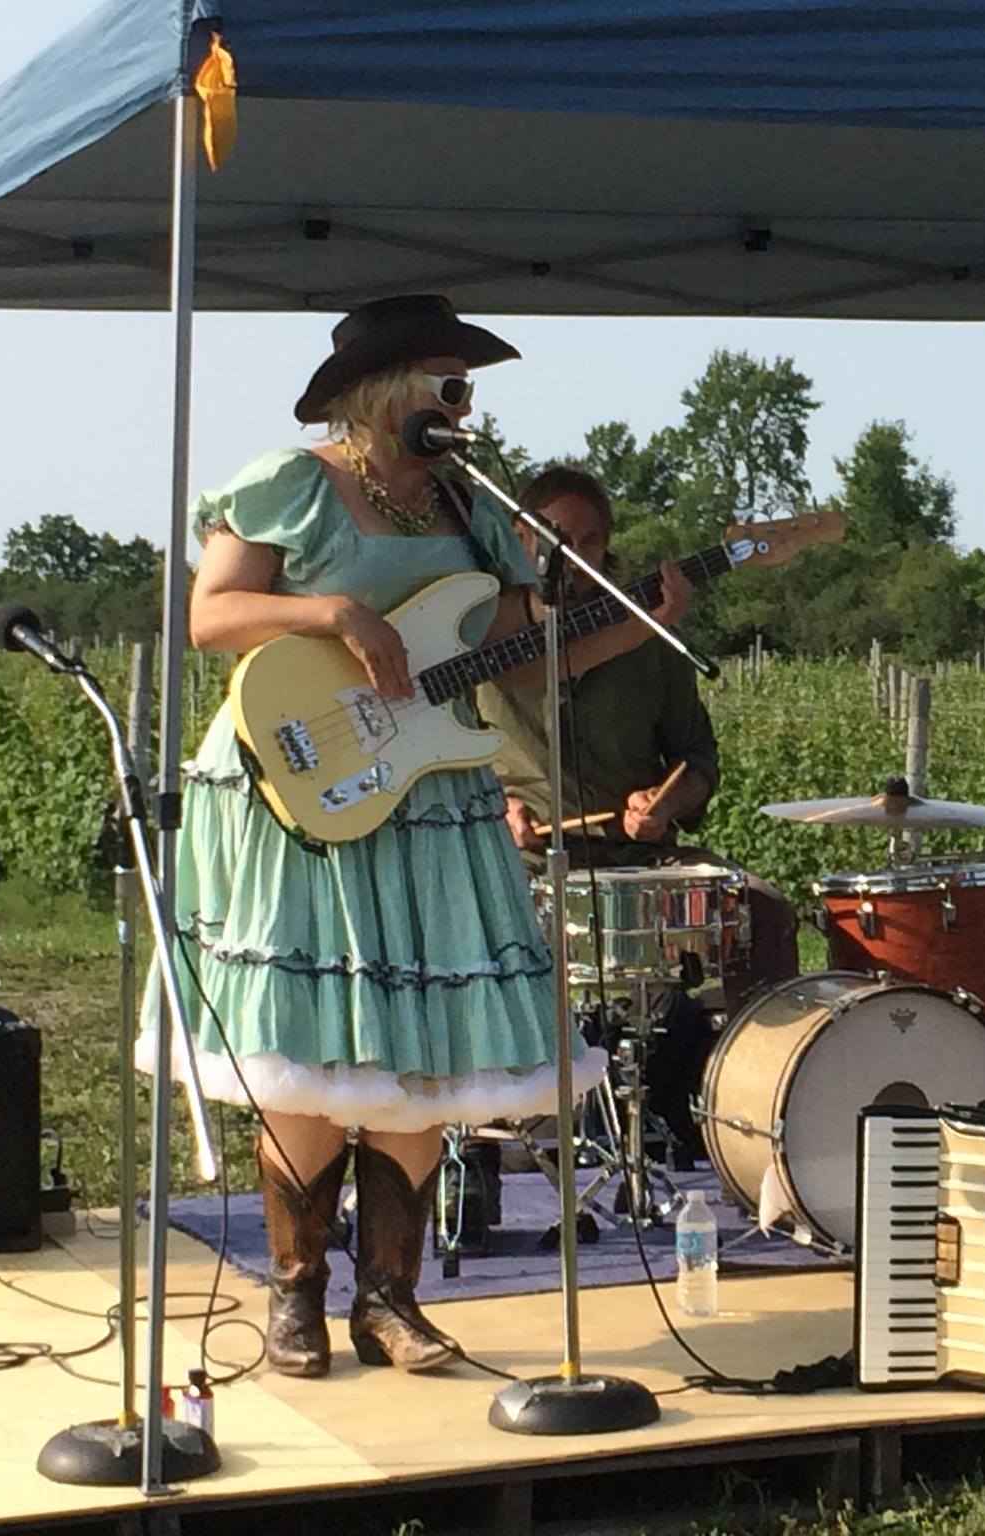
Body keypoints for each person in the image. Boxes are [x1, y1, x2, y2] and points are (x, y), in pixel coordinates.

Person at [139, 295, 676, 1378]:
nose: (463, 405)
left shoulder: (472, 514)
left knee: (422, 1058)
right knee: (313, 1050)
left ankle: (389, 1298)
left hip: (429, 801)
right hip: (300, 788)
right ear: (385, 392)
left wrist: (646, 614)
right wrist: (332, 613)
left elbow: (522, 662)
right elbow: (211, 617)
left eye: (467, 388)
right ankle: (297, 1293)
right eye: (448, 383)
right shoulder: (293, 484)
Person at [477, 465, 802, 1020]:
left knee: (763, 910)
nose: (573, 558)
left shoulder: (651, 642)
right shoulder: (482, 631)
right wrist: (495, 807)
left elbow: (697, 760)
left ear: (607, 549)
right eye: (556, 540)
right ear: (519, 537)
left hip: (640, 858)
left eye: (589, 542)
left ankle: (741, 1080)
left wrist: (663, 802)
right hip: (524, 858)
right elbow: (438, 751)